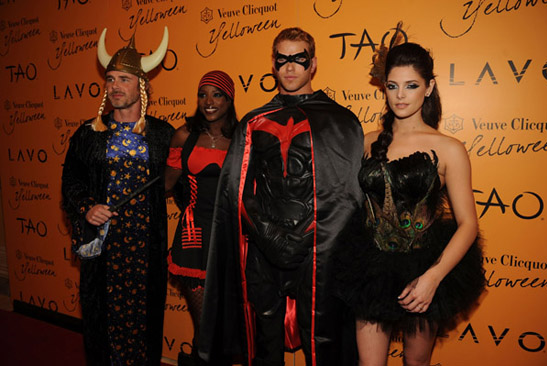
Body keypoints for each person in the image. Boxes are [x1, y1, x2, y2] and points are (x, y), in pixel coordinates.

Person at [199, 27, 364, 366]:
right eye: (282, 59)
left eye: (298, 59)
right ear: (273, 65)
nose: (290, 67)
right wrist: (267, 233)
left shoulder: (340, 122)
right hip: (263, 248)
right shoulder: (254, 121)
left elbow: (345, 197)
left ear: (313, 63)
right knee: (263, 343)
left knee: (323, 342)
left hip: (317, 252)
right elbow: (237, 189)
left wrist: (305, 237)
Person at [334, 26, 485, 366]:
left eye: (412, 85)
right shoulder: (367, 140)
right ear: (384, 88)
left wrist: (433, 278)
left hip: (425, 265)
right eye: (392, 86)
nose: (400, 95)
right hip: (368, 266)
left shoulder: (450, 149)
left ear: (429, 87)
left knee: (416, 363)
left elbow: (467, 224)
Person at [61, 27, 174, 365]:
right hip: (104, 247)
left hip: (145, 246)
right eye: (110, 79)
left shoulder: (163, 134)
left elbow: (182, 182)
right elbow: (70, 183)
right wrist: (86, 208)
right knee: (102, 320)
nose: (114, 87)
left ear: (140, 85)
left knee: (144, 320)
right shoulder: (88, 134)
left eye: (124, 79)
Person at [164, 70, 237, 366]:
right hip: (193, 237)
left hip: (228, 237)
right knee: (204, 323)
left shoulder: (240, 138)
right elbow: (166, 185)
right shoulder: (185, 135)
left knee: (226, 324)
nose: (208, 101)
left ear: (229, 99)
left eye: (216, 94)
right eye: (202, 94)